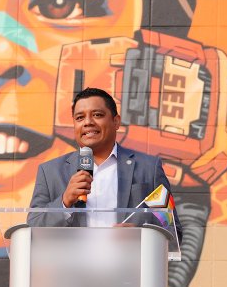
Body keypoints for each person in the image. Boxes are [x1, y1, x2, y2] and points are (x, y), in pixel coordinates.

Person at [29, 87, 172, 228]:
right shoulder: (49, 172)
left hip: (127, 252)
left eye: (97, 115)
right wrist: (64, 201)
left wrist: (139, 235)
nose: (88, 122)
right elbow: (34, 226)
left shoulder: (148, 168)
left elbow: (172, 229)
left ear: (116, 122)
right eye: (80, 117)